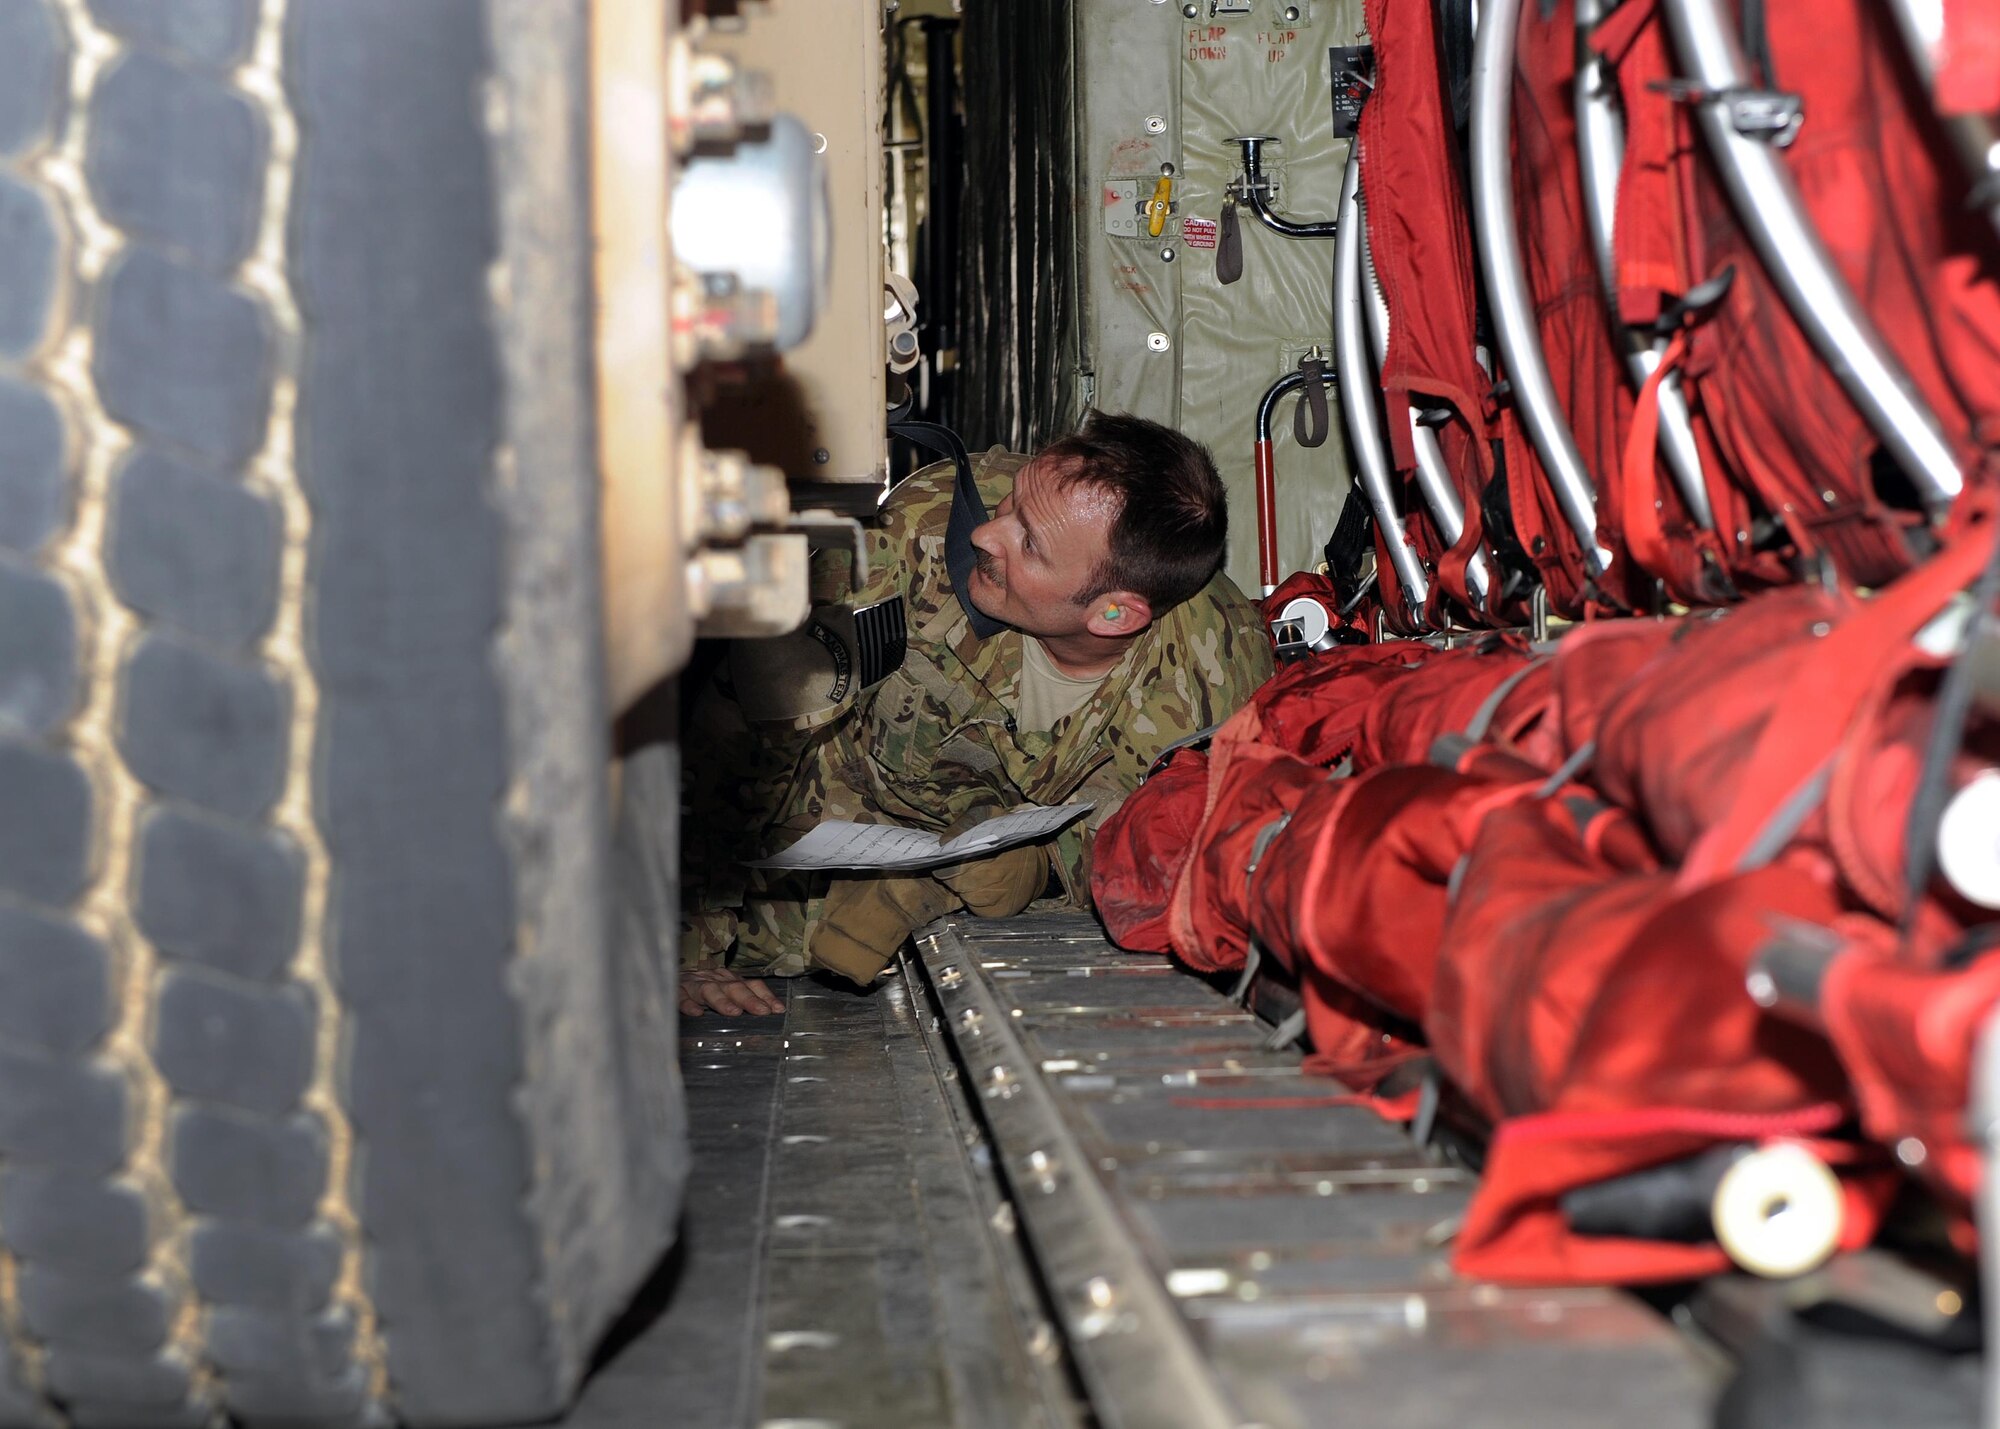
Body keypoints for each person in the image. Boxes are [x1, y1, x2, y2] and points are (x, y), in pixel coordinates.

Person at [678, 412, 1273, 1017]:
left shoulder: (1213, 671)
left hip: (1015, 945)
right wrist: (681, 947)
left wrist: (1040, 872)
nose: (988, 534)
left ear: (1115, 616)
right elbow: (737, 734)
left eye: (1030, 544)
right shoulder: (921, 532)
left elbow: (1171, 862)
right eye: (1012, 503)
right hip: (786, 871)